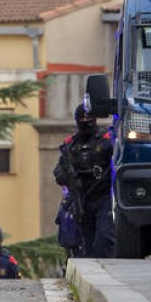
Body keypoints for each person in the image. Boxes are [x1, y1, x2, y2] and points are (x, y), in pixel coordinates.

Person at [53, 104, 115, 258]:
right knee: (84, 241)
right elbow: (59, 168)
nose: (86, 121)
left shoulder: (106, 141)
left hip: (103, 197)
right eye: (83, 118)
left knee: (104, 237)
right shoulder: (71, 145)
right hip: (81, 199)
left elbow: (116, 163)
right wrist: (64, 177)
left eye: (89, 117)